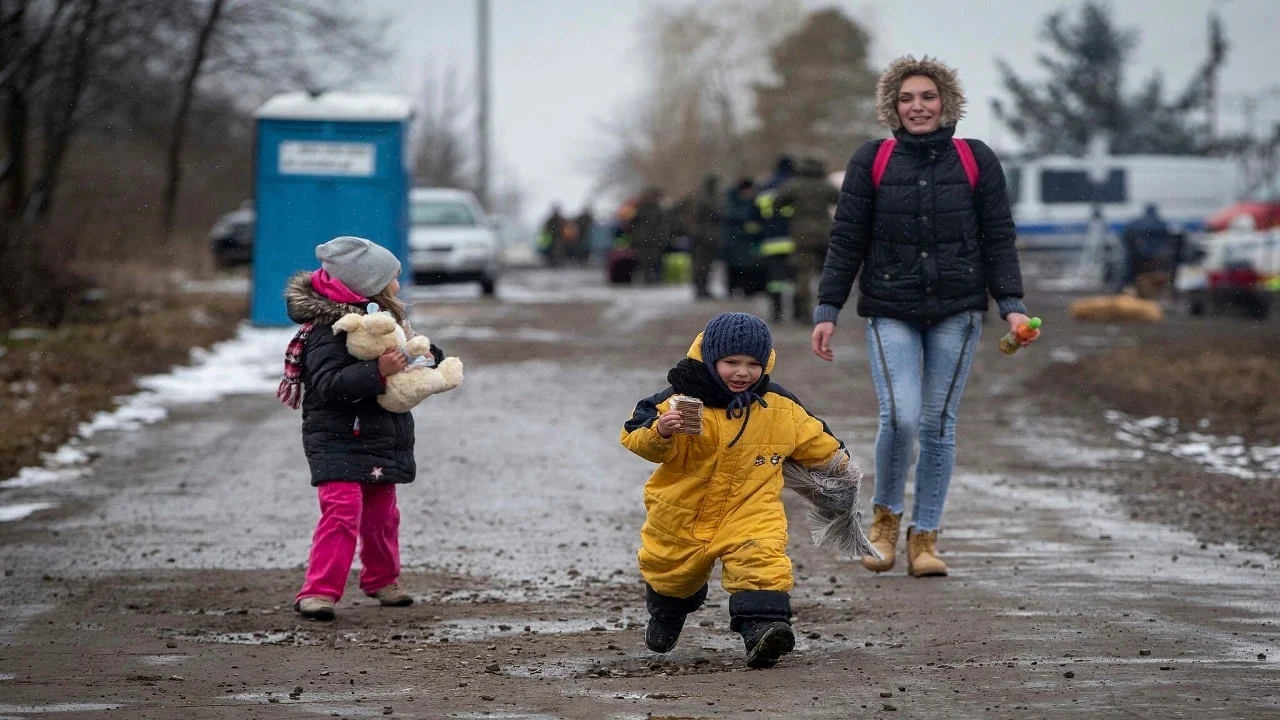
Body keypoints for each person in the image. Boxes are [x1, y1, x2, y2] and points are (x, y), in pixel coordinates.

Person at [810, 55, 1038, 578]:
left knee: (937, 424)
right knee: (902, 417)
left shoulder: (976, 159)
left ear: (946, 103)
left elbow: (999, 238)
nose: (918, 106)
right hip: (890, 307)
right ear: (892, 106)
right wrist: (828, 309)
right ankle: (885, 524)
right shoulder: (873, 160)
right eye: (907, 98)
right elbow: (847, 239)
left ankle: (925, 540)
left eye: (927, 97)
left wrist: (1013, 307)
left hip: (958, 309)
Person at [621, 312, 852, 668]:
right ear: (711, 358)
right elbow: (636, 437)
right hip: (682, 509)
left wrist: (841, 469)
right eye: (731, 362)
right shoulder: (677, 399)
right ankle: (668, 612)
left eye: (753, 364)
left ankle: (764, 630)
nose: (742, 373)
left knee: (761, 560)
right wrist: (661, 431)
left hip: (750, 507)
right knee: (670, 571)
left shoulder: (778, 406)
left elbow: (816, 439)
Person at [279, 236, 445, 621]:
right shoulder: (328, 330)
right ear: (368, 285)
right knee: (341, 512)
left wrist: (430, 357)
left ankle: (383, 580)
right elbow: (329, 385)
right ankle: (318, 592)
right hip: (338, 437)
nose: (398, 286)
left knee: (383, 514)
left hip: (378, 435)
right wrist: (377, 372)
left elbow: (423, 349)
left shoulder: (388, 324)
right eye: (393, 279)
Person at [776, 157, 839, 322]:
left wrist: (790, 212)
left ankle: (803, 310)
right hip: (825, 233)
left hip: (801, 234)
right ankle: (827, 310)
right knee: (827, 272)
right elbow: (840, 199)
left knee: (803, 274)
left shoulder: (794, 185)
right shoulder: (825, 185)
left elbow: (777, 202)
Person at [754, 156, 798, 321]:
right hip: (794, 239)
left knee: (775, 279)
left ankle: (777, 311)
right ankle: (797, 311)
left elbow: (756, 213)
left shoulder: (765, 186)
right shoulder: (795, 186)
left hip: (771, 240)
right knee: (795, 277)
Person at [673, 175, 722, 300]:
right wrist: (694, 231)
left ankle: (704, 288)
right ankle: (700, 288)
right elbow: (689, 216)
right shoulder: (700, 198)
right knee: (700, 264)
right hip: (700, 237)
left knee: (707, 264)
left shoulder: (710, 197)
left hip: (708, 235)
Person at [720, 178, 761, 298]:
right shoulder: (732, 201)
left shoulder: (752, 201)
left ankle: (747, 290)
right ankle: (732, 290)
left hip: (746, 241)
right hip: (734, 241)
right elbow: (732, 215)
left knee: (747, 268)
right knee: (733, 268)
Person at [630, 187, 670, 284]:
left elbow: (633, 222)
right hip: (648, 238)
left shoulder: (643, 208)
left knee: (649, 259)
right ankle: (648, 277)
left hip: (648, 238)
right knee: (648, 259)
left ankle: (648, 276)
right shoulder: (650, 209)